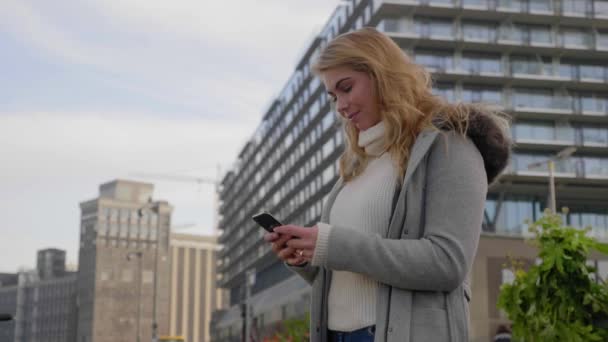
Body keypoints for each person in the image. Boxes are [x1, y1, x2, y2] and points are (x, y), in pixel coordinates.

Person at [264, 27, 511, 342]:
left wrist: (331, 244)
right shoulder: (359, 163)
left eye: (346, 87)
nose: (339, 105)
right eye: (333, 95)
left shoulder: (451, 145)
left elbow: (447, 262)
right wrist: (308, 258)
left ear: (382, 75)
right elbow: (353, 275)